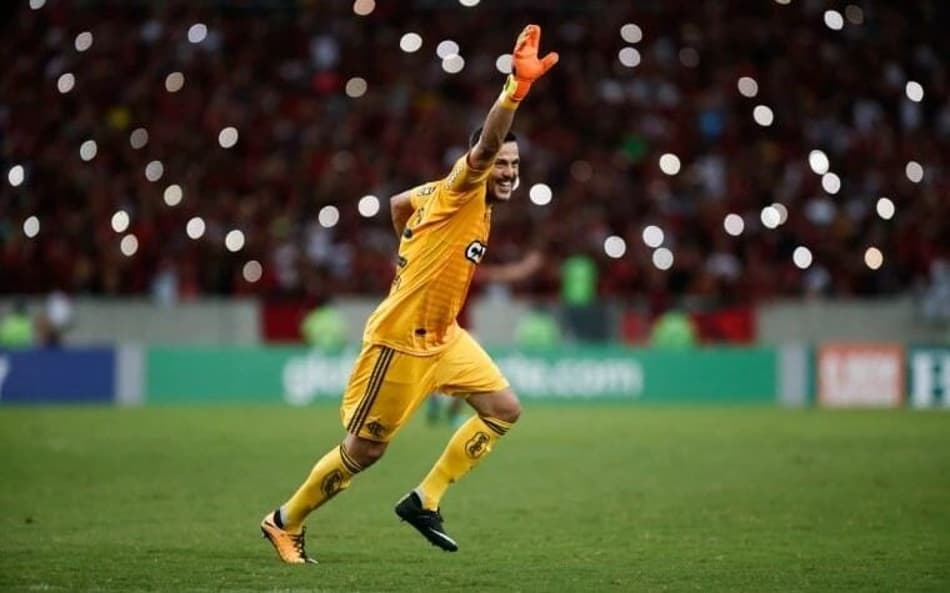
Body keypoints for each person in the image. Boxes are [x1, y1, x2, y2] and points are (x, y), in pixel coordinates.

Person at [260, 25, 558, 563]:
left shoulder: (455, 203)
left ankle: (426, 498)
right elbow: (487, 144)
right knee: (365, 451)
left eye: (515, 166)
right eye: (502, 164)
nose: (509, 173)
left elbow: (399, 203)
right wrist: (514, 90)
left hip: (444, 337)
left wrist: (412, 249)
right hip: (401, 341)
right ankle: (285, 520)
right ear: (481, 163)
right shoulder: (463, 187)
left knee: (503, 410)